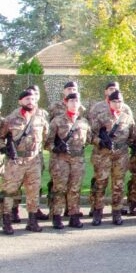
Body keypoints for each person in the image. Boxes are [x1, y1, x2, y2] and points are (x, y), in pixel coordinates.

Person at [1, 90, 49, 234]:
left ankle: (32, 221)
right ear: (20, 101)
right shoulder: (9, 120)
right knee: (10, 192)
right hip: (15, 162)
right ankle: (7, 221)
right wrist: (6, 148)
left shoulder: (40, 119)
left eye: (33, 99)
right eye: (27, 99)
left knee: (33, 191)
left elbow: (46, 137)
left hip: (33, 161)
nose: (30, 101)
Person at [90, 89, 136, 226]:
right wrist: (99, 141)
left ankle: (117, 212)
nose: (117, 104)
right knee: (100, 185)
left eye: (120, 102)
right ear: (109, 102)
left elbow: (132, 137)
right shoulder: (101, 117)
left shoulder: (127, 118)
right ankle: (98, 212)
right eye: (114, 101)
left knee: (118, 185)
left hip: (120, 156)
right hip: (102, 156)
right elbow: (90, 135)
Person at [46, 92, 90, 230]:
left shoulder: (83, 122)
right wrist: (56, 148)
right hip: (61, 160)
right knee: (59, 188)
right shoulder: (57, 121)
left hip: (78, 159)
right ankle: (57, 216)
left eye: (76, 101)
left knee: (75, 188)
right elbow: (48, 141)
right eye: (71, 101)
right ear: (66, 103)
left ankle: (74, 216)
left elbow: (88, 140)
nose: (74, 103)